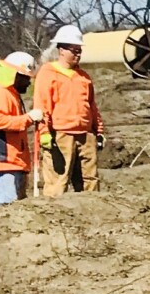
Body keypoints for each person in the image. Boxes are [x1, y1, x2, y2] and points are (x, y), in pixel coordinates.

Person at [36, 24, 104, 195]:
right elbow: (42, 105)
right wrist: (44, 132)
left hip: (85, 135)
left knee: (90, 180)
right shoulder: (48, 73)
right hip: (61, 135)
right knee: (58, 180)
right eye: (74, 50)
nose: (78, 54)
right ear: (61, 50)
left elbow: (91, 106)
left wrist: (99, 130)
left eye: (79, 50)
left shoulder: (84, 77)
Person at [0, 51, 39, 205]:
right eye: (26, 78)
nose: (28, 83)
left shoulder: (10, 94)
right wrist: (29, 118)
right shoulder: (1, 93)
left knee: (15, 211)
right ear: (16, 75)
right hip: (3, 163)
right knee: (6, 211)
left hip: (12, 163)